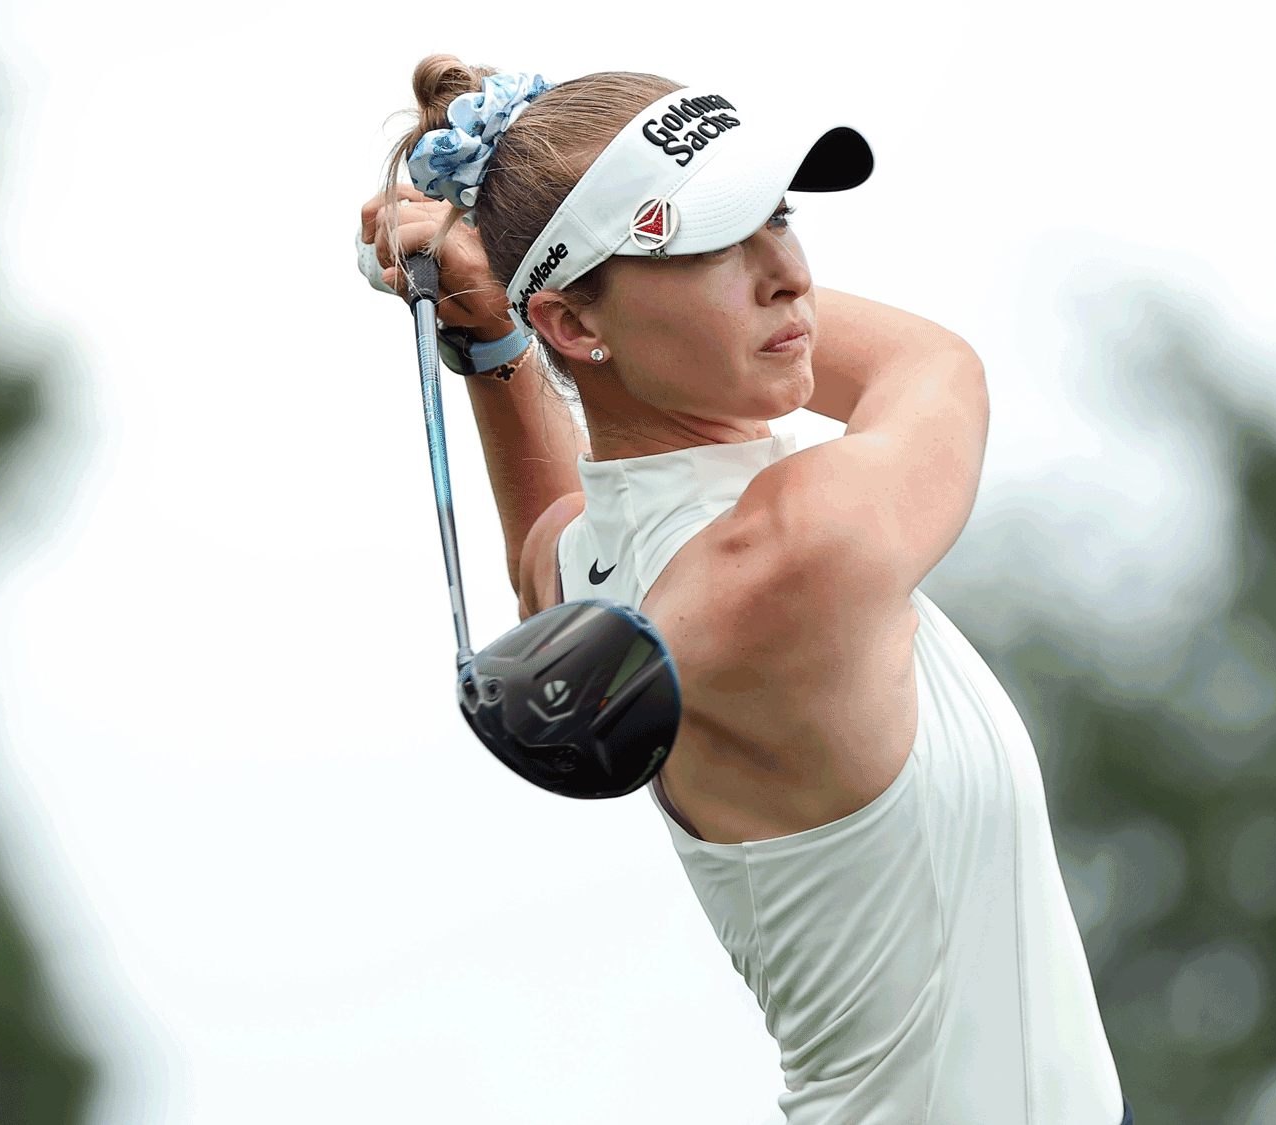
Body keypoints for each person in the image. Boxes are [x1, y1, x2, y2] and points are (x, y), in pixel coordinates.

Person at [359, 56, 1130, 1125]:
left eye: (777, 216)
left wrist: (497, 338)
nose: (787, 274)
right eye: (710, 243)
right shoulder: (798, 549)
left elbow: (547, 531)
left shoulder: (593, 568)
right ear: (576, 328)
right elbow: (933, 365)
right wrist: (511, 299)